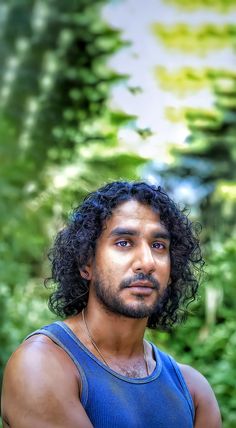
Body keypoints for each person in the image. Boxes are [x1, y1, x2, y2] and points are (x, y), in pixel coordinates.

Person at [1, 181, 221, 428]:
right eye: (124, 242)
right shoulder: (42, 364)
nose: (147, 262)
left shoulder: (193, 389)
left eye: (158, 246)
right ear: (87, 263)